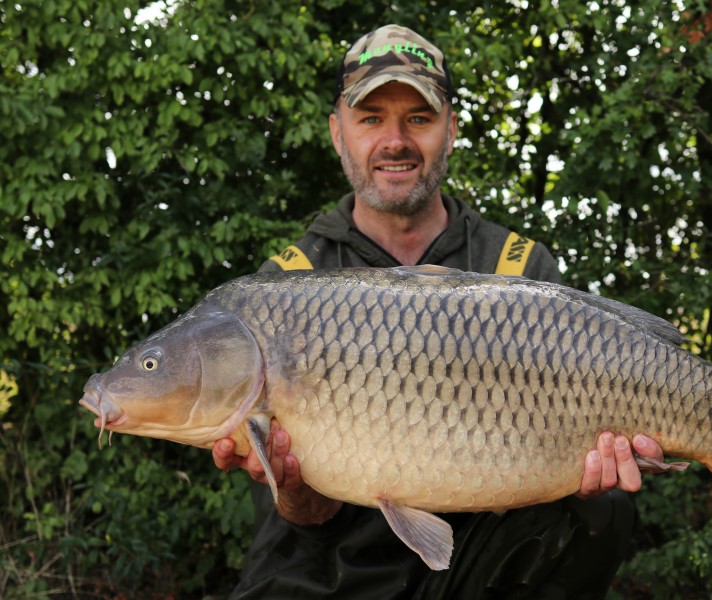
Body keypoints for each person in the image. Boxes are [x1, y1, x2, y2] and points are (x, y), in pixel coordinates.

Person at [213, 24, 665, 599]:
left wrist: (587, 481)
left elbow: (579, 465)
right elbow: (295, 510)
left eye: (418, 119)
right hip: (327, 573)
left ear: (450, 130)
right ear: (337, 133)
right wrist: (297, 491)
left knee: (605, 507)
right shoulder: (288, 284)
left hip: (482, 565)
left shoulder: (517, 266)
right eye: (371, 118)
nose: (395, 140)